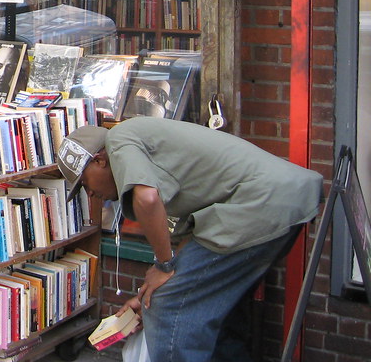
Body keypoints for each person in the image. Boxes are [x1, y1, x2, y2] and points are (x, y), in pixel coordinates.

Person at [57, 118, 322, 362]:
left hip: (259, 204)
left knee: (168, 304)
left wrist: (164, 268)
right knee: (211, 304)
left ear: (100, 160)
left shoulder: (119, 139)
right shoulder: (143, 148)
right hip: (281, 199)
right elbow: (190, 245)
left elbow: (147, 200)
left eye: (85, 183)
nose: (91, 194)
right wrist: (154, 287)